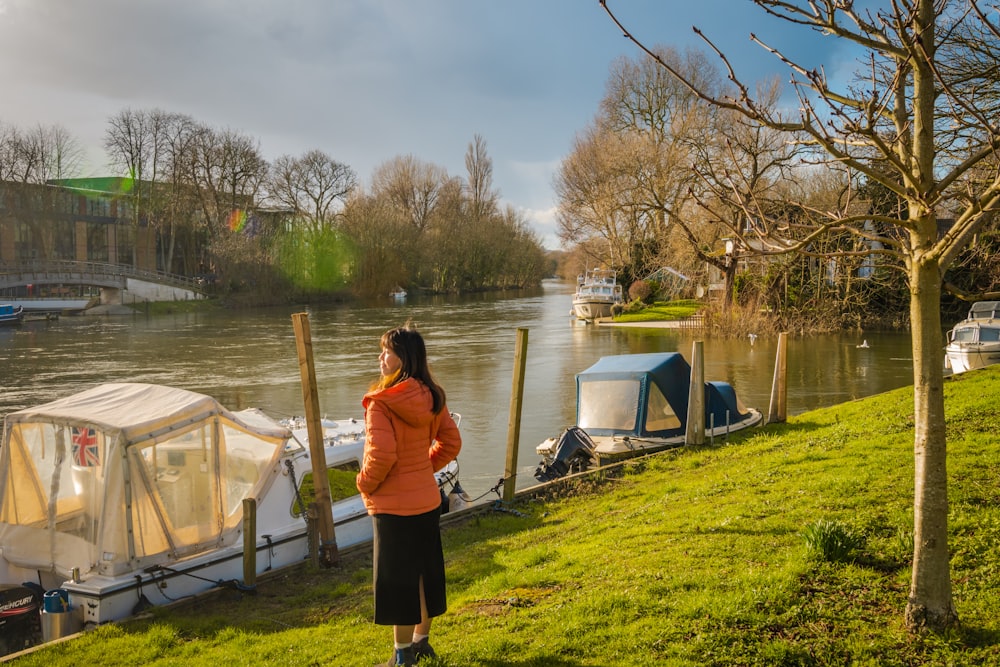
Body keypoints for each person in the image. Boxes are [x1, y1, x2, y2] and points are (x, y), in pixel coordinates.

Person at [356, 323, 462, 667]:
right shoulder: (432, 395)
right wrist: (423, 468)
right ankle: (421, 643)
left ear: (402, 358)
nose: (380, 357)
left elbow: (381, 457)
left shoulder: (380, 403)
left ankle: (402, 658)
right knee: (423, 573)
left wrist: (364, 483)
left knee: (397, 580)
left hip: (393, 507)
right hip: (427, 501)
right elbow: (452, 443)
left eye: (385, 351)